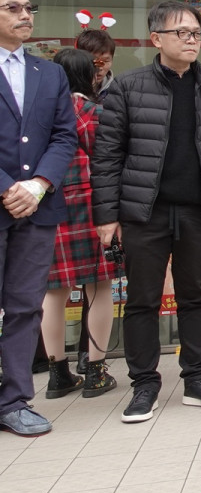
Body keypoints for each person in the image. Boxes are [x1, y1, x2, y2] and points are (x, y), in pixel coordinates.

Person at [92, 1, 201, 424]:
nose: (192, 39)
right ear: (156, 38)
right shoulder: (128, 87)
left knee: (195, 295)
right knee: (142, 300)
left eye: (197, 33)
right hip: (144, 211)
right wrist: (108, 216)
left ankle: (199, 379)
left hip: (200, 210)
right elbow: (106, 156)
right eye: (182, 32)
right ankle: (144, 383)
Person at [0, 0, 76, 437]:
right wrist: (9, 187)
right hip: (7, 197)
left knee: (26, 306)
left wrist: (39, 184)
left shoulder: (50, 74)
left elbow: (65, 135)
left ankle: (14, 400)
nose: (25, 15)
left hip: (38, 207)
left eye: (29, 8)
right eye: (13, 8)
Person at [41, 49, 120, 401]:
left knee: (52, 292)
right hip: (90, 207)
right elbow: (110, 161)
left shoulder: (39, 114)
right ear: (91, 77)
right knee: (99, 286)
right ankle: (95, 371)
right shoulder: (93, 114)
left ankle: (58, 374)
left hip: (47, 206)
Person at [75, 28, 116, 100]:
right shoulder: (65, 89)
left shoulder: (117, 90)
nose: (100, 68)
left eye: (106, 61)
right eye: (94, 61)